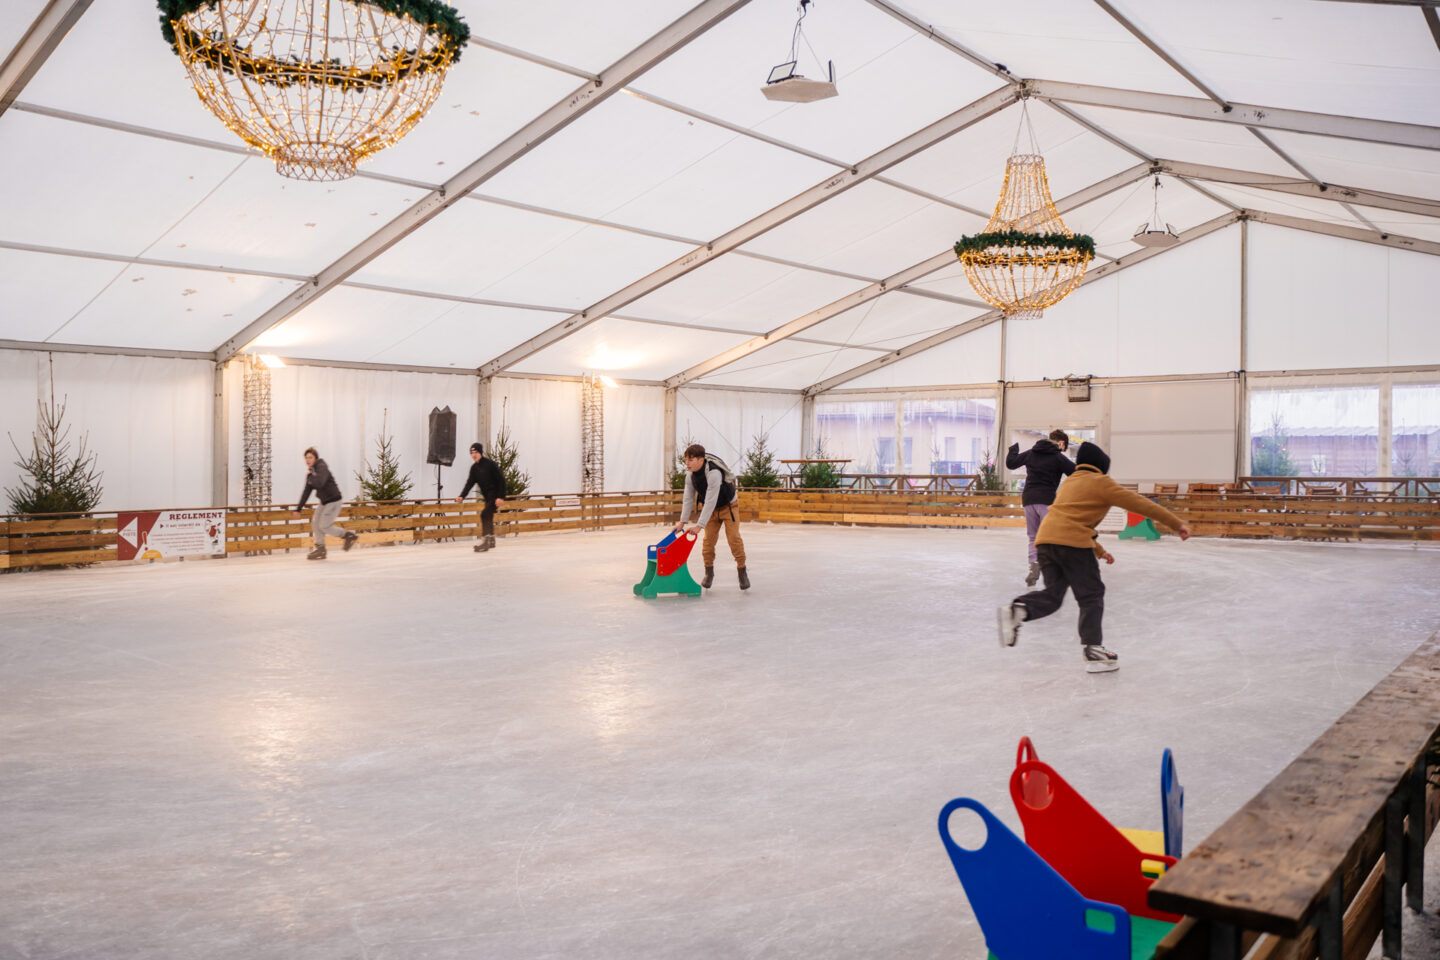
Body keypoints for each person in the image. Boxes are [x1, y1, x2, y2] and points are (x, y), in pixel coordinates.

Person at [997, 441, 1191, 673]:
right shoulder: (1101, 482)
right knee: (1091, 595)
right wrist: (1176, 524)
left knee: (1053, 595)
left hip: (1046, 541)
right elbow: (1140, 504)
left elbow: (1069, 519)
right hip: (1073, 545)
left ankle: (1019, 609)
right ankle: (1093, 649)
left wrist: (1099, 550)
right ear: (1101, 466)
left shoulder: (1069, 484)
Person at [674, 443, 749, 590]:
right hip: (712, 510)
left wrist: (699, 525)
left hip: (729, 507)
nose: (687, 463)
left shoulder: (714, 473)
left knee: (734, 539)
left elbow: (710, 500)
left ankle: (742, 570)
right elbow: (688, 498)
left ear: (701, 460)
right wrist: (682, 522)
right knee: (708, 542)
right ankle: (709, 573)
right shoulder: (690, 475)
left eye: (691, 460)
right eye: (686, 460)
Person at [1006, 429, 1075, 586]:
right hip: (1046, 500)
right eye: (1063, 447)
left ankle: (1034, 565)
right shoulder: (1058, 457)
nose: (1062, 450)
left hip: (1029, 500)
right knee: (1051, 535)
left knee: (1033, 536)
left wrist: (1013, 449)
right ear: (1061, 443)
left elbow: (1011, 463)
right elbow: (1075, 473)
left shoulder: (1032, 453)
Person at [292, 447, 356, 560]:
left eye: (310, 457)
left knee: (324, 526)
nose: (308, 460)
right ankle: (320, 549)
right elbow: (306, 492)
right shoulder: (312, 473)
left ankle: (348, 535)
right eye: (306, 458)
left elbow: (320, 483)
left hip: (334, 501)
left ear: (315, 458)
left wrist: (310, 478)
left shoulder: (322, 467)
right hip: (324, 502)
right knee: (315, 523)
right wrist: (298, 509)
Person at [454, 442, 505, 552]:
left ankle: (485, 541)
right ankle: (491, 540)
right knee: (488, 516)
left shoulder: (490, 464)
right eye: (472, 453)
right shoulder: (474, 468)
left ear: (480, 452)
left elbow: (501, 480)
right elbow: (469, 484)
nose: (474, 455)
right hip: (487, 497)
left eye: (476, 452)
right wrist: (462, 496)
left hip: (495, 495)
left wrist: (500, 497)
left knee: (484, 514)